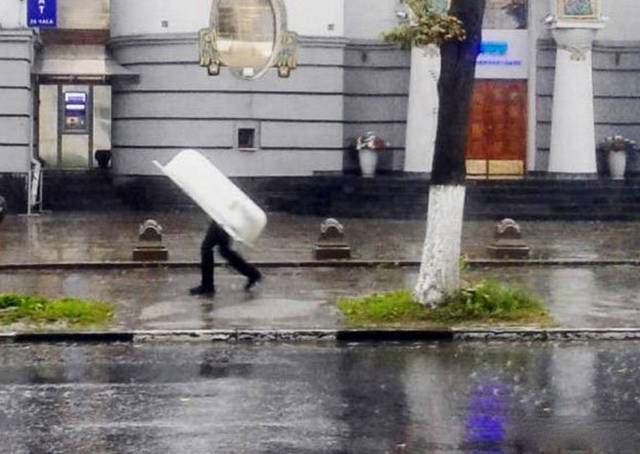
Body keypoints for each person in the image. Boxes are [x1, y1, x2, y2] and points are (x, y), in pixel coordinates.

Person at [189, 220, 261, 297]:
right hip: (225, 220)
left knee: (207, 248)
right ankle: (253, 274)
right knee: (224, 250)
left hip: (223, 220)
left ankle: (207, 286)